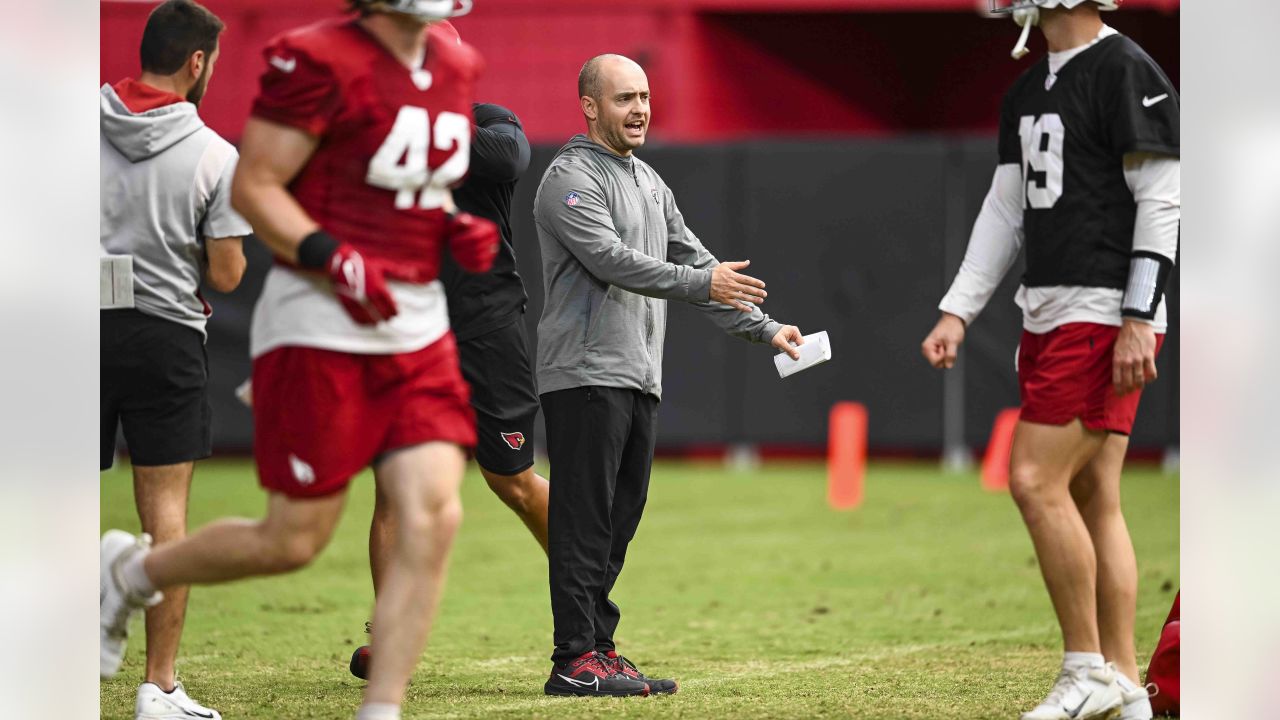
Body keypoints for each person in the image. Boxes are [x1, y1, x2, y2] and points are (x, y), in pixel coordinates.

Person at [99, 1, 499, 719]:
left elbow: (407, 186)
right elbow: (257, 185)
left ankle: (382, 709)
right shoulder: (315, 57)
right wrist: (333, 256)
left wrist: (450, 224)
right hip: (321, 316)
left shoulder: (456, 65)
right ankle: (132, 570)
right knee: (292, 540)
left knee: (434, 514)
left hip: (413, 318)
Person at [920, 2, 1178, 719]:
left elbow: (1162, 201)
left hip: (1102, 310)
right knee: (1096, 495)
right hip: (1051, 306)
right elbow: (1005, 211)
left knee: (1033, 476)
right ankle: (1124, 680)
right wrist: (958, 307)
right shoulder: (1029, 88)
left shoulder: (1125, 68)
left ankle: (1085, 666)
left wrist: (1136, 316)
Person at [533, 53, 804, 698]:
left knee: (620, 516)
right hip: (584, 372)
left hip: (637, 374)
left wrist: (767, 328)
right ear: (590, 106)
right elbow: (613, 260)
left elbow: (699, 265)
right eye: (625, 98)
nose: (641, 110)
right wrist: (700, 282)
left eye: (646, 97)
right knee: (583, 519)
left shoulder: (651, 182)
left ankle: (598, 647)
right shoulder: (568, 178)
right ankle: (573, 658)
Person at [349, 97, 547, 680]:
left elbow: (509, 158)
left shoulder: (489, 120)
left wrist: (419, 125)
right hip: (407, 325)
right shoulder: (375, 124)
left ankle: (587, 614)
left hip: (486, 322)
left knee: (511, 479)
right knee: (393, 485)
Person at [100, 2, 249, 718]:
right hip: (163, 338)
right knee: (167, 519)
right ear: (197, 63)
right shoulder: (217, 154)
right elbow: (225, 275)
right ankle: (158, 687)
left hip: (69, 329)